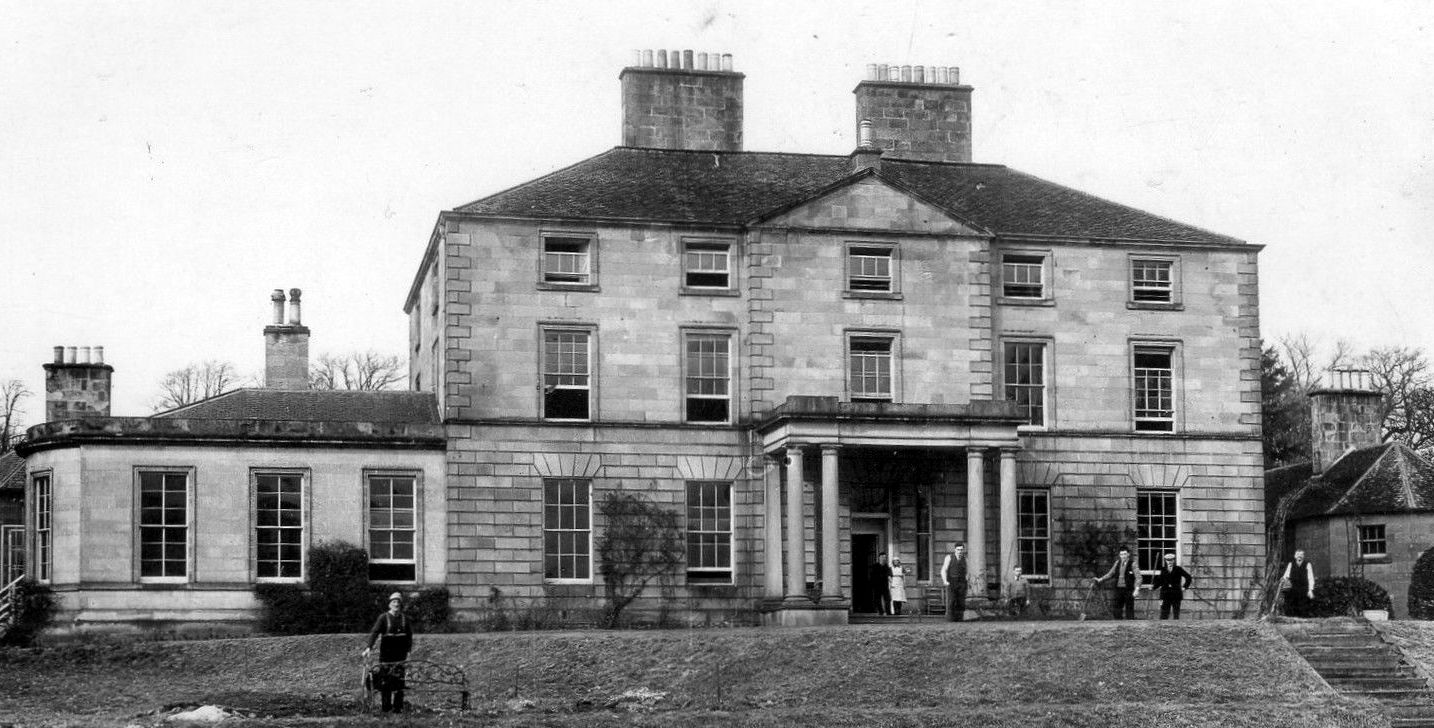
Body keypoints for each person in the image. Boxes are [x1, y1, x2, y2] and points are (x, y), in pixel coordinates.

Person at [364, 592, 414, 713]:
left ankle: (398, 709)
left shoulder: (405, 619)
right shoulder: (383, 618)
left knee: (399, 681)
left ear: (401, 605)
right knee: (385, 681)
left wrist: (409, 651)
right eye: (394, 602)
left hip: (400, 654)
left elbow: (409, 636)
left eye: (398, 602)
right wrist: (369, 647)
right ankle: (386, 708)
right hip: (386, 654)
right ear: (389, 604)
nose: (396, 605)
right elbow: (375, 632)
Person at [1093, 545, 1141, 620]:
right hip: (1118, 589)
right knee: (1117, 608)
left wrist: (1137, 589)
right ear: (1119, 555)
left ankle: (1130, 624)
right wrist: (1101, 579)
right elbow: (1110, 574)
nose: (1123, 556)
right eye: (1121, 554)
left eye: (1125, 554)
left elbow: (1138, 577)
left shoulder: (1133, 564)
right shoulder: (1117, 563)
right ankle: (1118, 623)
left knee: (1129, 609)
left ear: (1128, 554)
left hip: (1128, 589)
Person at [1152, 551, 1193, 620]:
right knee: (1164, 614)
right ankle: (1163, 626)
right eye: (1168, 560)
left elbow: (1188, 577)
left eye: (1171, 560)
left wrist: (1184, 587)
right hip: (1165, 594)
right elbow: (1160, 581)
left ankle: (1176, 626)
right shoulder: (1163, 570)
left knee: (1176, 614)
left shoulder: (1178, 569)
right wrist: (1153, 587)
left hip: (1176, 594)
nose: (1169, 562)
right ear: (1165, 561)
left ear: (1173, 560)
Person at [1281, 549, 1316, 617]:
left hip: (1303, 589)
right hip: (1293, 588)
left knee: (1303, 607)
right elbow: (1286, 576)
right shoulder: (1291, 564)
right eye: (1297, 554)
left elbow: (1310, 577)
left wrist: (1310, 590)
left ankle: (1302, 619)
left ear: (1304, 556)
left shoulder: (1307, 564)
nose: (1299, 556)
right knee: (1292, 606)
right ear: (1295, 556)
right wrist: (1284, 584)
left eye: (1301, 555)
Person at [940, 543, 968, 622]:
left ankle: (960, 619)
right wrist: (945, 581)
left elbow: (967, 572)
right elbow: (943, 570)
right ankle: (951, 619)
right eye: (958, 550)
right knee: (952, 600)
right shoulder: (949, 558)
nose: (960, 551)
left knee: (961, 601)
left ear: (963, 550)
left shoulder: (965, 559)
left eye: (961, 550)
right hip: (952, 581)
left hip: (962, 582)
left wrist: (967, 580)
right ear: (955, 550)